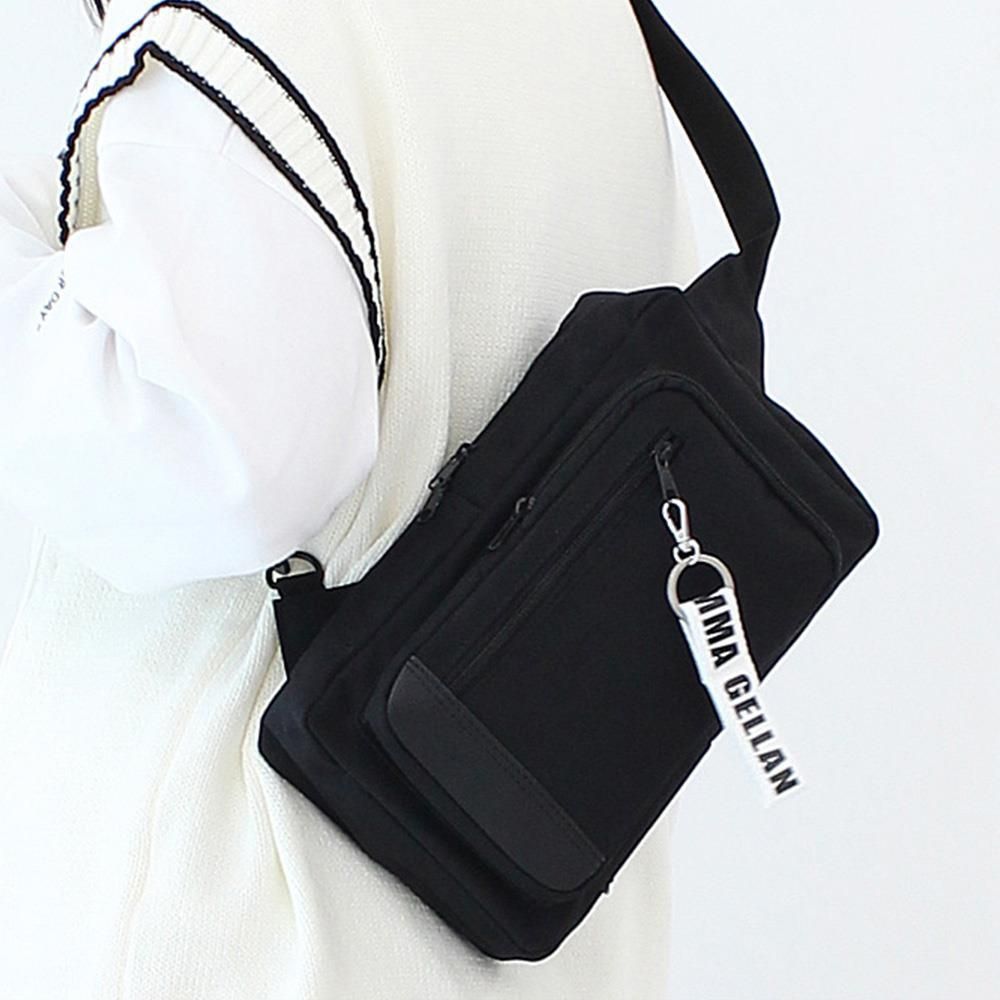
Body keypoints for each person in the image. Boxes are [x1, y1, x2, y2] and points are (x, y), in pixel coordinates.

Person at [0, 0, 701, 996]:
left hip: (243, 934)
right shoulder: (593, 23)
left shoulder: (254, 27)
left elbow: (209, 457)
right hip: (518, 927)